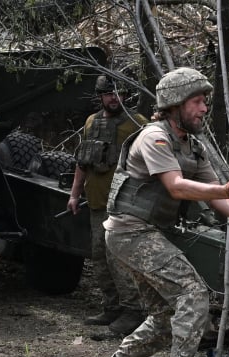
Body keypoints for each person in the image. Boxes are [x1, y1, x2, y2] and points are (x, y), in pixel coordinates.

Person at [84, 67, 229, 357]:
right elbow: (178, 187)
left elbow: (218, 196)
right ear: (175, 103)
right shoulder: (154, 136)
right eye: (197, 101)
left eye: (205, 102)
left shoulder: (193, 147)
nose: (204, 108)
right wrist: (225, 191)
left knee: (167, 317)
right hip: (130, 231)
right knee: (193, 294)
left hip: (143, 233)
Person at [67, 75, 149, 335]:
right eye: (109, 94)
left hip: (125, 204)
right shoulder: (91, 122)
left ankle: (133, 311)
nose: (114, 98)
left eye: (119, 93)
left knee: (120, 260)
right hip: (97, 202)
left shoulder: (138, 124)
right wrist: (74, 193)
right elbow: (83, 161)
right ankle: (111, 306)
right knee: (99, 256)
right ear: (100, 96)